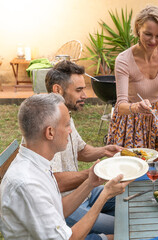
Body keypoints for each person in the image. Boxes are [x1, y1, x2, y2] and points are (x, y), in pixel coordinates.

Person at [0, 93, 132, 240]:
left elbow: (59, 210)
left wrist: (89, 182)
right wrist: (105, 194)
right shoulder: (28, 184)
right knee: (127, 234)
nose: (70, 131)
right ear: (50, 132)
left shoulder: (36, 163)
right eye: (67, 124)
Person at [45, 60, 122, 234]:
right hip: (66, 205)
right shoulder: (48, 124)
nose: (85, 95)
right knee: (122, 226)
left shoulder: (65, 114)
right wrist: (93, 175)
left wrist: (104, 150)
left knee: (126, 198)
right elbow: (57, 182)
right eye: (79, 90)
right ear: (58, 90)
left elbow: (81, 150)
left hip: (85, 193)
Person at [107, 5, 158, 152]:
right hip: (131, 119)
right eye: (148, 34)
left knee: (157, 165)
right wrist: (137, 107)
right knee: (132, 166)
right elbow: (120, 106)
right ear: (138, 28)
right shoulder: (124, 60)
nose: (153, 41)